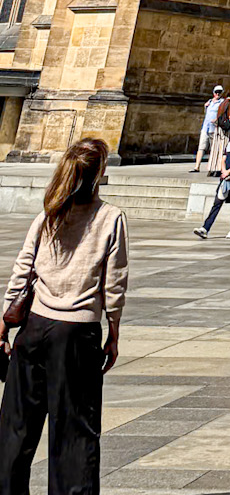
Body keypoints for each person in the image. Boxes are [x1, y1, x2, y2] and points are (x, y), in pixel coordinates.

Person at [0, 135, 128, 495]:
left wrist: (5, 321)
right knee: (74, 432)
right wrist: (114, 331)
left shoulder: (50, 212)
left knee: (15, 429)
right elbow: (114, 282)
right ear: (100, 173)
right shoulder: (109, 218)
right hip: (76, 334)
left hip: (34, 328)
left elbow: (22, 268)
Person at [196, 126, 230, 240]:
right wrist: (224, 171)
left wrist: (229, 171)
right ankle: (205, 228)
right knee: (217, 202)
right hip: (225, 179)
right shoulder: (229, 144)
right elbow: (223, 159)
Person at [193, 85, 224, 172]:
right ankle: (197, 166)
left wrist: (217, 119)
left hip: (214, 128)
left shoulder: (222, 102)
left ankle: (212, 166)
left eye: (219, 92)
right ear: (213, 93)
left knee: (214, 148)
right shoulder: (209, 102)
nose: (217, 94)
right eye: (216, 92)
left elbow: (222, 114)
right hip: (205, 127)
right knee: (201, 147)